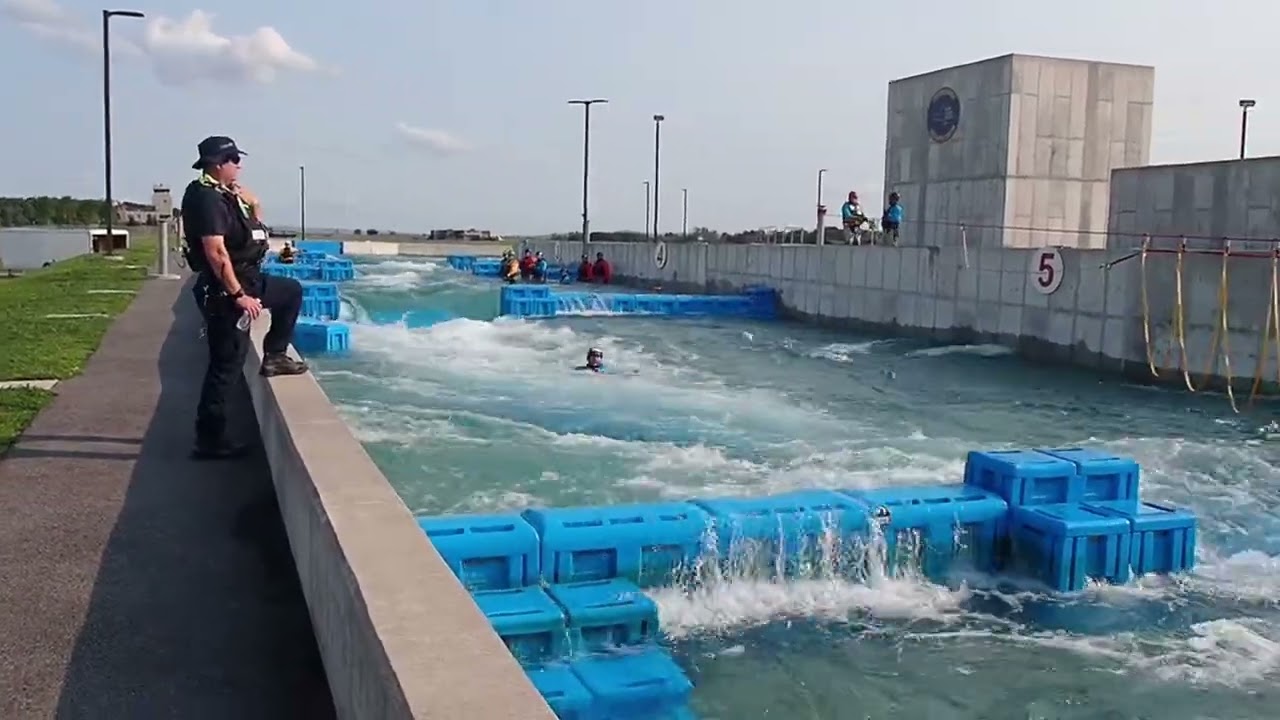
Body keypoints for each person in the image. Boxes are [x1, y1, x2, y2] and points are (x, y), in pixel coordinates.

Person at [182, 135, 309, 460]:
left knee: (290, 292)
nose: (240, 165)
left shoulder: (224, 195)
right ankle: (209, 439)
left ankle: (275, 355)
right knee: (225, 365)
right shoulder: (208, 199)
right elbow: (216, 252)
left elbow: (253, 232)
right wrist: (237, 295)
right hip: (228, 289)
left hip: (248, 278)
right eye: (234, 159)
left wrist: (254, 205)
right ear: (218, 163)